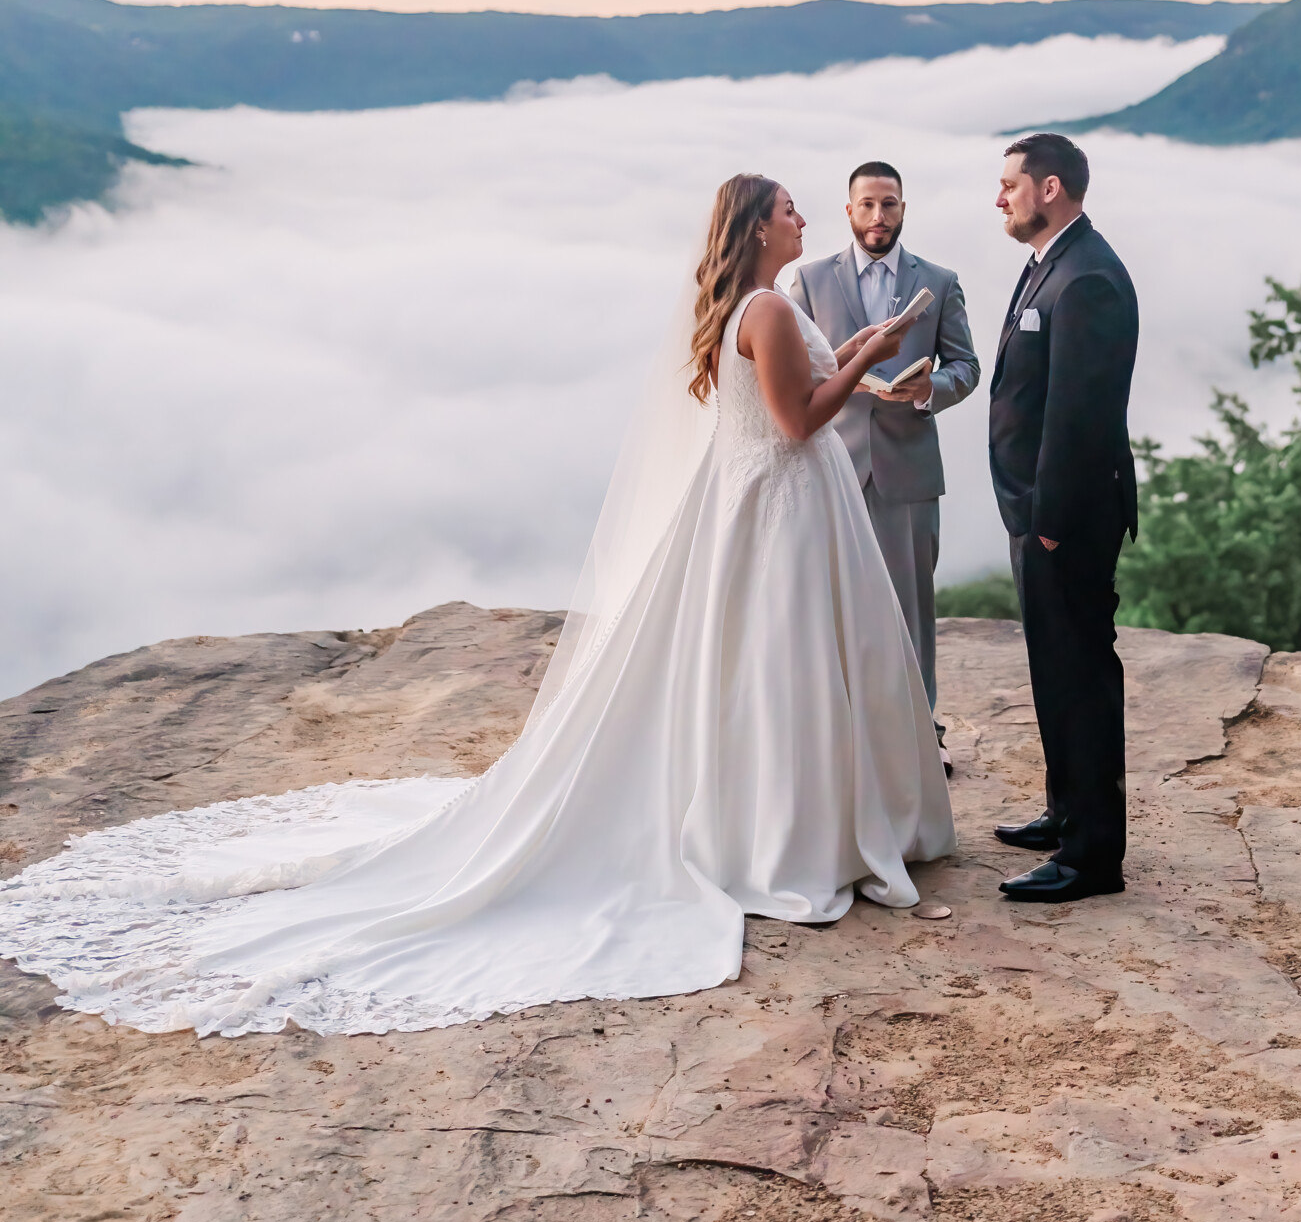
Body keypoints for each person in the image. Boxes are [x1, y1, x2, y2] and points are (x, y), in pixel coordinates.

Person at [0, 176, 954, 1034]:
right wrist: (860, 360)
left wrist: (861, 346)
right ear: (755, 231)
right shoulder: (771, 309)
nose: (803, 218)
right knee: (787, 671)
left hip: (769, 505)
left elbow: (783, 401)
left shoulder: (761, 304)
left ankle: (790, 818)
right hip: (784, 508)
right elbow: (796, 422)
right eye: (788, 208)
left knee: (774, 673)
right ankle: (795, 832)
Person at [986, 131, 1139, 906]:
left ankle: (1090, 858)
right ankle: (1064, 812)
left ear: (1049, 188)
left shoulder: (1087, 280)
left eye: (1009, 184)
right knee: (1055, 671)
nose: (1000, 197)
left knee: (1079, 677)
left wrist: (1047, 521)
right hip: (1037, 514)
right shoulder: (1049, 264)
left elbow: (1079, 416)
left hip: (1065, 518)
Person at [785, 161, 979, 742]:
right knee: (831, 608)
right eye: (866, 204)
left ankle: (923, 737)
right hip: (830, 467)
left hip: (908, 470)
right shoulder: (809, 281)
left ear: (903, 208)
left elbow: (966, 367)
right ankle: (845, 737)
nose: (878, 216)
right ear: (848, 211)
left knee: (911, 611)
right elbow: (797, 375)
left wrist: (931, 389)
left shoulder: (939, 282)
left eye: (889, 204)